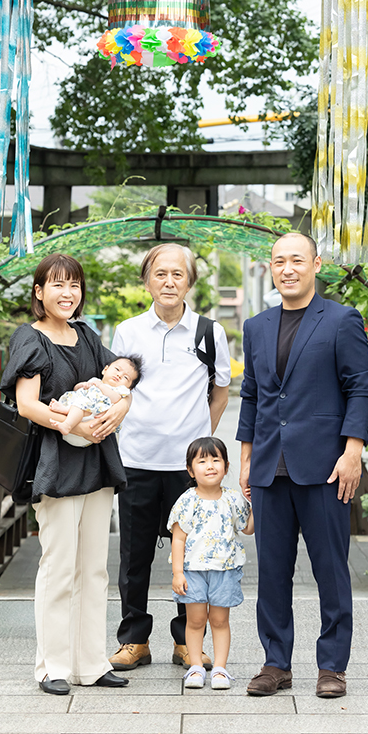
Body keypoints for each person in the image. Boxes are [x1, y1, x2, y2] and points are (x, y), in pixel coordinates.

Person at [237, 232, 368, 699]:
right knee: (271, 573)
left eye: (297, 260)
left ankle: (332, 665)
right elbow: (252, 396)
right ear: (271, 269)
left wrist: (352, 449)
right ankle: (276, 663)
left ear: (316, 264)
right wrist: (246, 458)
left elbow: (360, 387)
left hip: (326, 466)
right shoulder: (256, 326)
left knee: (331, 570)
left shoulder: (341, 320)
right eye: (279, 261)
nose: (288, 268)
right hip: (270, 467)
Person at [0, 253, 131, 695]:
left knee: (94, 568)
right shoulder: (30, 339)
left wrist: (118, 410)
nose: (67, 293)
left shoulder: (88, 336)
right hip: (56, 461)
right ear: (39, 292)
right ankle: (52, 666)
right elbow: (28, 404)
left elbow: (122, 381)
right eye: (57, 285)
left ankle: (91, 663)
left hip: (96, 459)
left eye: (73, 285)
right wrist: (73, 423)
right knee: (59, 566)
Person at [109, 243, 232, 672]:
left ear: (189, 282)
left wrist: (199, 439)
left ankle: (186, 641)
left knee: (194, 556)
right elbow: (117, 387)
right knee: (134, 556)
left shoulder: (208, 332)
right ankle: (134, 640)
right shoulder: (127, 331)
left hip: (188, 471)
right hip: (137, 458)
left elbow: (220, 391)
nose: (169, 282)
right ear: (148, 280)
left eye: (177, 274)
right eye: (160, 274)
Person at [169, 436, 254, 690]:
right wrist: (177, 573)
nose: (210, 466)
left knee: (219, 621)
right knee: (195, 621)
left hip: (225, 571)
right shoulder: (186, 500)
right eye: (202, 461)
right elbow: (178, 539)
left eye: (216, 460)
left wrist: (257, 501)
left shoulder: (233, 499)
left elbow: (248, 529)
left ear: (226, 467)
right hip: (192, 572)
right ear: (190, 470)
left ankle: (220, 669)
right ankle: (195, 667)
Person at [49, 355, 143, 440]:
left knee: (82, 404)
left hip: (92, 417)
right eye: (117, 369)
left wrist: (100, 386)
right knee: (78, 401)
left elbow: (115, 399)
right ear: (105, 370)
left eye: (126, 377)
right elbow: (76, 389)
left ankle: (67, 424)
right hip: (81, 416)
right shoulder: (95, 380)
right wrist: (82, 385)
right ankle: (67, 410)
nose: (119, 375)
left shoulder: (118, 391)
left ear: (129, 388)